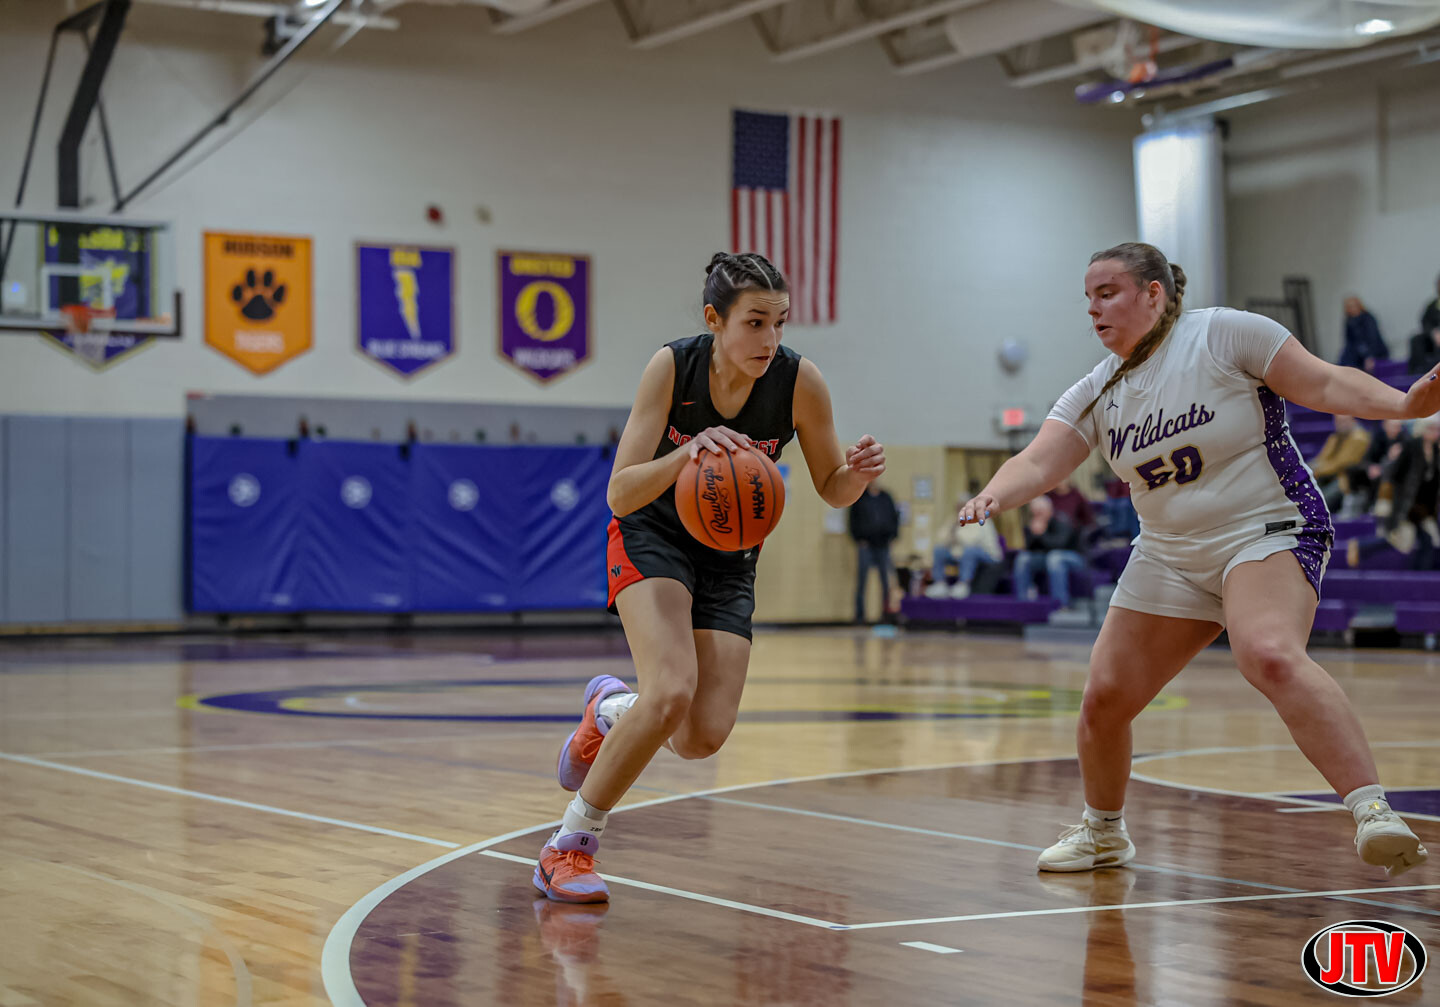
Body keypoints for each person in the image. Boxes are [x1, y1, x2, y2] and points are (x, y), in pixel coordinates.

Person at [959, 241, 1433, 879]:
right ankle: (1103, 833)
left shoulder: (1224, 335)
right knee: (1104, 698)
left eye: (1108, 293)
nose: (1094, 309)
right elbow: (1040, 458)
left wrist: (1403, 405)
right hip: (1169, 553)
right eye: (1088, 298)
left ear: (1153, 293)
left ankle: (1373, 811)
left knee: (1266, 653)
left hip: (1265, 528)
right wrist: (993, 494)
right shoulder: (1098, 390)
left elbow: (1323, 381)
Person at [533, 252, 885, 903]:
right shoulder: (673, 367)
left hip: (729, 553)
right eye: (755, 322)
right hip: (652, 533)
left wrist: (856, 476)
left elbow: (833, 488)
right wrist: (687, 453)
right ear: (714, 319)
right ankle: (569, 844)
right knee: (670, 691)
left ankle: (609, 711)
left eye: (780, 321)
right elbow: (619, 492)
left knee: (699, 737)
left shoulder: (800, 382)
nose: (770, 338)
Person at [1012, 494, 1086, 608]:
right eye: (1035, 513)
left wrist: (1041, 535)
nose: (1037, 515)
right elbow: (1028, 548)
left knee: (1055, 557)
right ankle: (1022, 603)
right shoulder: (1034, 523)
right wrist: (1033, 534)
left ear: (1049, 510)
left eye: (1040, 512)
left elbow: (1060, 545)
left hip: (1074, 557)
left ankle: (1060, 604)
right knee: (1023, 558)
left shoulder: (1061, 520)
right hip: (1047, 558)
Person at [926, 491, 1004, 598]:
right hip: (960, 553)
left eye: (962, 506)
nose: (959, 509)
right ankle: (940, 584)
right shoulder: (954, 519)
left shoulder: (980, 517)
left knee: (969, 551)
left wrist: (955, 533)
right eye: (958, 506)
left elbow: (971, 540)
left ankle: (963, 584)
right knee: (939, 550)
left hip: (988, 555)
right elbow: (940, 538)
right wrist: (953, 530)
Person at [848, 482, 900, 623]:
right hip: (865, 544)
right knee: (862, 581)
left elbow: (894, 517)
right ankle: (860, 616)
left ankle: (886, 615)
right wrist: (858, 538)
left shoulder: (886, 497)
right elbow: (852, 519)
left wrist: (893, 536)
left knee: (885, 581)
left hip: (883, 544)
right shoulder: (860, 497)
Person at [1309, 414, 1371, 513]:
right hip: (1327, 476)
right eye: (1338, 421)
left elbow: (1343, 463)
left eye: (1345, 421)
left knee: (1320, 501)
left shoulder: (1359, 438)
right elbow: (1322, 458)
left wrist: (1318, 470)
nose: (1342, 424)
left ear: (1353, 420)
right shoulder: (1335, 437)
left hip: (1347, 477)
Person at [1337, 296, 1387, 372]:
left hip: (1373, 353)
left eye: (1354, 306)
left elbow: (1373, 339)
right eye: (1349, 307)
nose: (1352, 309)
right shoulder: (1349, 321)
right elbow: (1349, 342)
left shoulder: (1368, 319)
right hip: (1357, 354)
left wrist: (1370, 357)